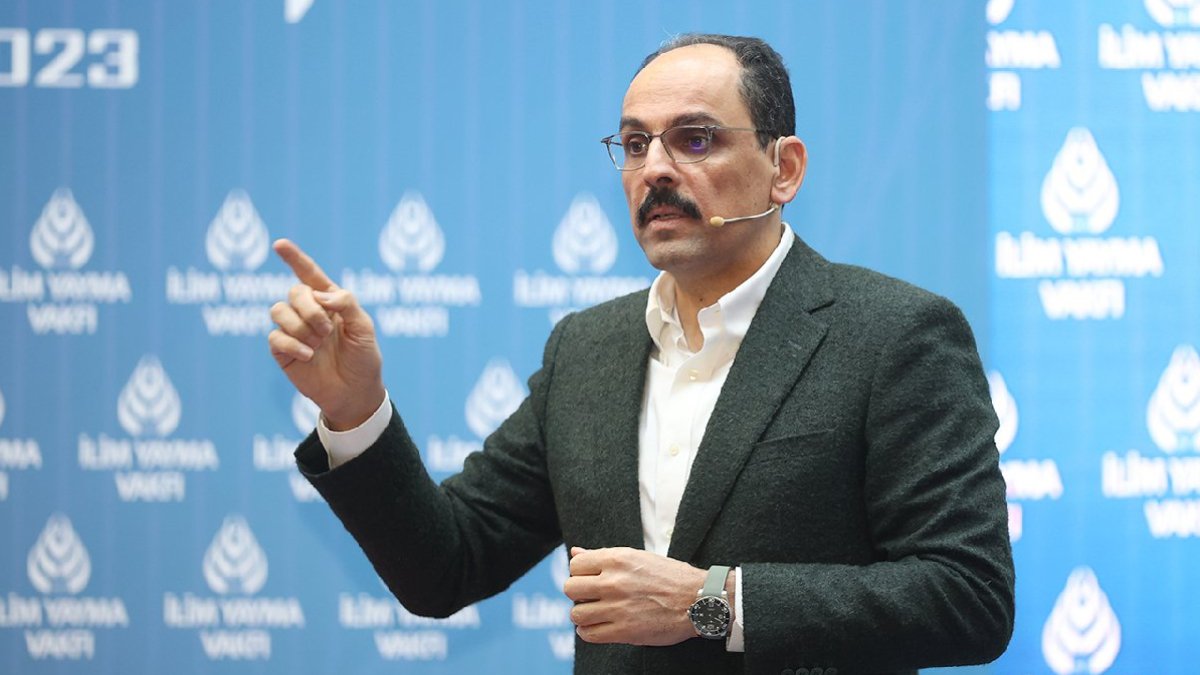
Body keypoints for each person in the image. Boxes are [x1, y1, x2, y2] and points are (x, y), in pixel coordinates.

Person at [269, 34, 1014, 675]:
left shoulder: (893, 334)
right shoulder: (585, 349)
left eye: (695, 139)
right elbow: (446, 566)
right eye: (634, 144)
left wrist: (712, 602)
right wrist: (354, 409)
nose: (654, 169)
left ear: (783, 168)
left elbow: (968, 596)